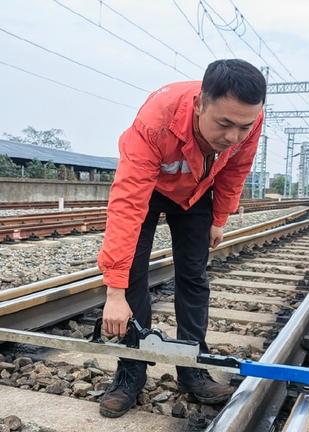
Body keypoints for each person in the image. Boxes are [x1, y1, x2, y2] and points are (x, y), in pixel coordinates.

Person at [96, 59, 266, 418]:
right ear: (200, 103)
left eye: (243, 127)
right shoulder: (155, 123)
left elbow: (236, 170)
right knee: (134, 278)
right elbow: (126, 206)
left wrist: (219, 217)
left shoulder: (249, 122)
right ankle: (130, 374)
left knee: (193, 276)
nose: (234, 136)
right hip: (150, 190)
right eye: (224, 124)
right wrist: (114, 291)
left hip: (197, 193)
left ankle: (193, 370)